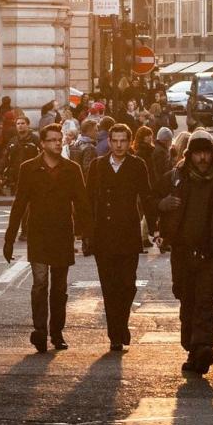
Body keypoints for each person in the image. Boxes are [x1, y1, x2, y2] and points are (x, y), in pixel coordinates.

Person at [155, 129, 213, 375]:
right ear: (189, 155)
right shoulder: (175, 178)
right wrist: (160, 206)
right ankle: (192, 348)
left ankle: (203, 346)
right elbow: (152, 200)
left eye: (207, 153)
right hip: (183, 252)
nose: (203, 159)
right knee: (187, 300)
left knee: (205, 302)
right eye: (197, 154)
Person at [3, 123, 91, 353]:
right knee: (40, 284)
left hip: (62, 233)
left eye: (58, 139)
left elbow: (82, 203)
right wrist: (9, 238)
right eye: (51, 140)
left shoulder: (71, 169)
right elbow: (20, 203)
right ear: (42, 143)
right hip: (39, 234)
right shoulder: (29, 168)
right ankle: (40, 331)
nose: (56, 143)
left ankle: (57, 332)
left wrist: (87, 234)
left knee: (59, 288)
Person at [85, 124, 155, 351]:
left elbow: (146, 196)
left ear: (130, 141)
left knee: (127, 285)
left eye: (123, 140)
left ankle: (121, 323)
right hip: (103, 235)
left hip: (127, 233)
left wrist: (154, 229)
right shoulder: (97, 166)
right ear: (109, 142)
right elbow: (87, 200)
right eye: (114, 140)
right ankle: (115, 333)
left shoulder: (137, 165)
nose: (118, 145)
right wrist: (86, 232)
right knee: (109, 286)